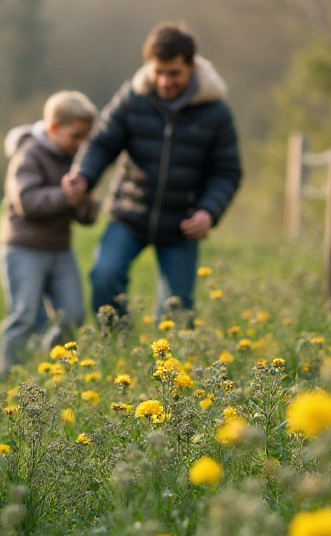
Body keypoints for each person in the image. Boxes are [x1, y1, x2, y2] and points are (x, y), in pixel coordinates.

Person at [67, 23, 242, 323]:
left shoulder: (216, 112)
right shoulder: (132, 98)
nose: (164, 81)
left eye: (173, 73)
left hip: (182, 223)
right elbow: (102, 143)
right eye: (157, 72)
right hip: (130, 213)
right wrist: (84, 176)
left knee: (177, 309)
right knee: (104, 276)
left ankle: (167, 365)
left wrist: (208, 213)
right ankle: (116, 347)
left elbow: (228, 172)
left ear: (191, 67)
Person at [0, 91, 101, 374]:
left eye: (85, 137)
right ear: (53, 128)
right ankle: (8, 374)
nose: (80, 144)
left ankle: (48, 360)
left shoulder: (76, 158)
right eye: (75, 135)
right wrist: (66, 197)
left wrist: (85, 200)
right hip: (23, 248)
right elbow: (26, 202)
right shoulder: (29, 153)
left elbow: (87, 216)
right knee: (24, 316)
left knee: (74, 314)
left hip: (60, 249)